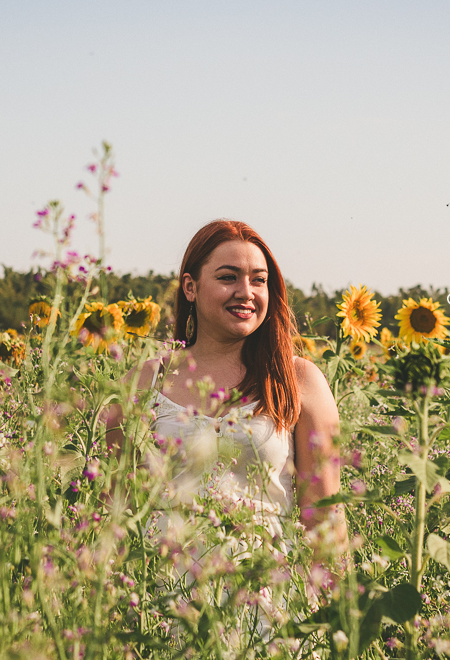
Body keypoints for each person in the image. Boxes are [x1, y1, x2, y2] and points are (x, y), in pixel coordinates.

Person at [104, 219, 345, 546]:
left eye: (258, 280)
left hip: (270, 590)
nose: (246, 292)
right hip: (165, 592)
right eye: (228, 277)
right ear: (190, 287)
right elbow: (115, 512)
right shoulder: (146, 381)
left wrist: (335, 594)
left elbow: (325, 518)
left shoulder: (298, 379)